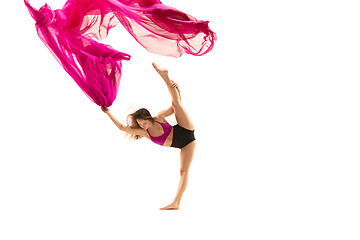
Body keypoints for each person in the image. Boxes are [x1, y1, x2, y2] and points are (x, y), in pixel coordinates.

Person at [101, 63, 196, 210]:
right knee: (183, 171)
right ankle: (176, 203)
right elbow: (121, 127)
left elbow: (176, 106)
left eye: (144, 122)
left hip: (185, 130)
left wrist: (178, 90)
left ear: (148, 117)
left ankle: (165, 76)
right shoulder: (144, 133)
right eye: (140, 124)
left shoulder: (159, 117)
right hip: (186, 144)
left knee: (176, 104)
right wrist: (108, 113)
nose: (143, 126)